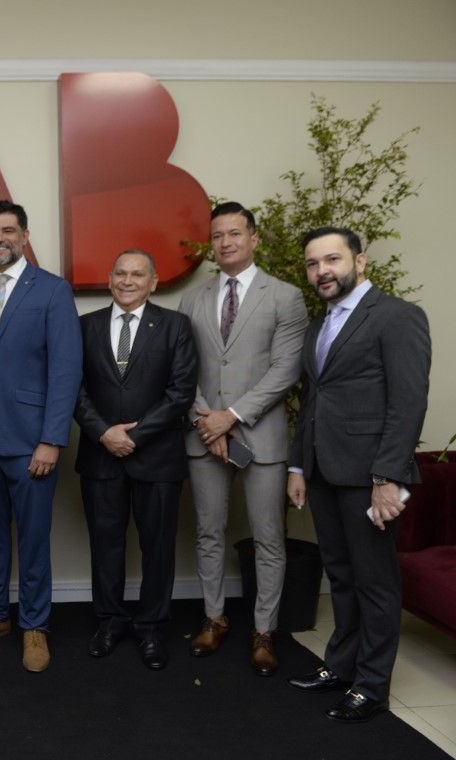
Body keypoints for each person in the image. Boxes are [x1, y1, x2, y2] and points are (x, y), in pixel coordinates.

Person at [286, 226, 430, 723]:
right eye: (313, 264)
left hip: (370, 476)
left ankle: (371, 685)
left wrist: (387, 476)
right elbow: (312, 401)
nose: (322, 271)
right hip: (323, 471)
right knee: (341, 576)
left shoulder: (397, 316)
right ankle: (341, 666)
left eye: (332, 259)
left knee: (375, 582)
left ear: (360, 261)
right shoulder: (318, 326)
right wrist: (298, 465)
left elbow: (408, 403)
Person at [178, 201, 307, 675]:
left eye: (234, 233)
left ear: (254, 239)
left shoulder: (285, 296)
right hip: (203, 436)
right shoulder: (192, 299)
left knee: (269, 538)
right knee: (208, 533)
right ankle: (214, 619)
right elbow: (183, 369)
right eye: (217, 236)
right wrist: (205, 422)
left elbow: (286, 370)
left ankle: (264, 631)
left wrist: (229, 417)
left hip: (261, 438)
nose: (225, 242)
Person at [0, 200, 82, 673]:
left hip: (31, 441)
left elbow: (66, 370)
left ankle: (34, 625)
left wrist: (52, 439)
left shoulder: (52, 290)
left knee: (33, 538)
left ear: (25, 237)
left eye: (8, 230)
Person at [74, 249, 197, 670]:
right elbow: (73, 388)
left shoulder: (176, 326)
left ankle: (152, 629)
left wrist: (134, 436)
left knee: (158, 547)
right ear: (110, 279)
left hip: (157, 458)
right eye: (120, 273)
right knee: (105, 545)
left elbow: (181, 392)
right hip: (100, 456)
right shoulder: (85, 326)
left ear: (153, 282)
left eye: (137, 274)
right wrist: (104, 432)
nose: (127, 281)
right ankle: (109, 622)